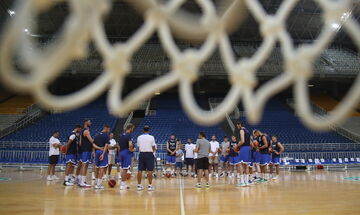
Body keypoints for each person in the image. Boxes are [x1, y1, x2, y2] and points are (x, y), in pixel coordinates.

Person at [136, 125, 156, 191]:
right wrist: (152, 152)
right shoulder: (151, 137)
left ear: (143, 130)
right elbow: (153, 147)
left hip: (141, 153)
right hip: (149, 154)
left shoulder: (139, 137)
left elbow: (138, 147)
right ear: (149, 130)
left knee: (140, 170)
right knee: (150, 170)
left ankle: (139, 185)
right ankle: (150, 186)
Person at [118, 123, 135, 190]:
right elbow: (130, 145)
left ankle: (123, 184)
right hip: (126, 152)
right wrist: (132, 150)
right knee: (125, 169)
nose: (132, 130)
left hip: (121, 152)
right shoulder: (129, 135)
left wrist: (119, 154)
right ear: (130, 128)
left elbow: (118, 146)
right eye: (132, 128)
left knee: (123, 169)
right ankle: (122, 185)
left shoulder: (122, 135)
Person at [93, 125, 111, 189]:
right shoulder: (106, 135)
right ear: (106, 128)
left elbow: (93, 144)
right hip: (102, 152)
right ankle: (98, 185)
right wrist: (103, 154)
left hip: (97, 151)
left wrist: (98, 148)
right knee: (101, 168)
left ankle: (96, 182)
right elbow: (106, 145)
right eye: (108, 129)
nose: (109, 130)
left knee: (97, 168)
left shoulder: (97, 135)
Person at [236, 122, 252, 187]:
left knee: (240, 164)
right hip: (248, 148)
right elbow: (250, 142)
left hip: (244, 148)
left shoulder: (241, 130)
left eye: (237, 125)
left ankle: (242, 182)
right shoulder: (248, 131)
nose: (237, 127)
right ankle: (247, 182)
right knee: (246, 165)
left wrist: (237, 146)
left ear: (239, 125)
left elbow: (242, 141)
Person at [79, 119, 94, 188]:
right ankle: (82, 182)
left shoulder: (81, 131)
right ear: (86, 122)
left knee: (84, 165)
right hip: (86, 150)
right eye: (89, 122)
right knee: (85, 165)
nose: (90, 123)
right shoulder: (86, 131)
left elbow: (80, 142)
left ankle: (81, 181)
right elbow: (91, 141)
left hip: (84, 150)